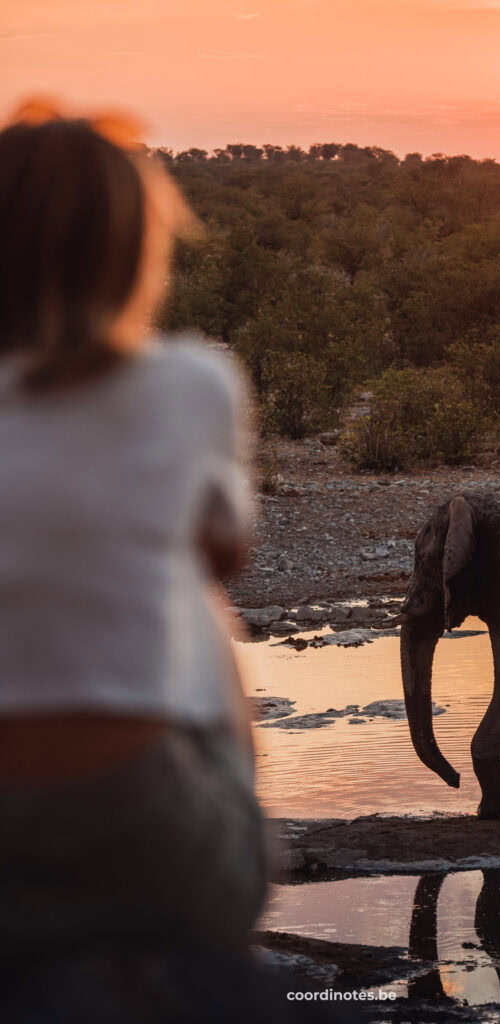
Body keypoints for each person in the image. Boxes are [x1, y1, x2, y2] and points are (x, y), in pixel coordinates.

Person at [0, 100, 268, 1002]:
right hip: (147, 836)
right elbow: (223, 554)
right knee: (199, 600)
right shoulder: (192, 382)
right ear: (128, 251)